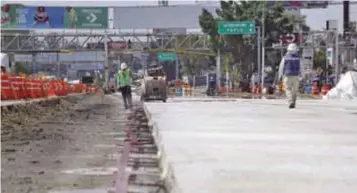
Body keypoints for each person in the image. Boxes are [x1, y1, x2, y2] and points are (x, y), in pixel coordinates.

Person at [278, 43, 301, 109]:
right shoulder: (298, 58)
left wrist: (280, 76)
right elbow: (302, 67)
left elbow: (281, 67)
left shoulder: (285, 58)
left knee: (287, 89)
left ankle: (290, 101)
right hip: (296, 76)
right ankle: (293, 102)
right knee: (294, 90)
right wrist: (303, 75)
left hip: (287, 76)